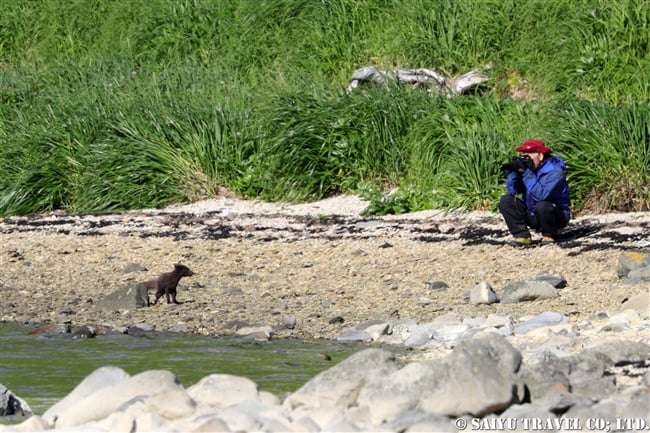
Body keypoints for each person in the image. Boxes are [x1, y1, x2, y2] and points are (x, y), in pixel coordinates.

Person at [498, 139, 571, 247]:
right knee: (506, 200)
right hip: (533, 213)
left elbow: (541, 195)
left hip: (554, 215)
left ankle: (549, 235)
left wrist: (527, 173)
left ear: (540, 156)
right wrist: (514, 173)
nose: (526, 159)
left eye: (529, 156)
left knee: (542, 205)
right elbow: (513, 191)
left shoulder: (555, 171)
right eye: (524, 156)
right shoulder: (530, 171)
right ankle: (522, 236)